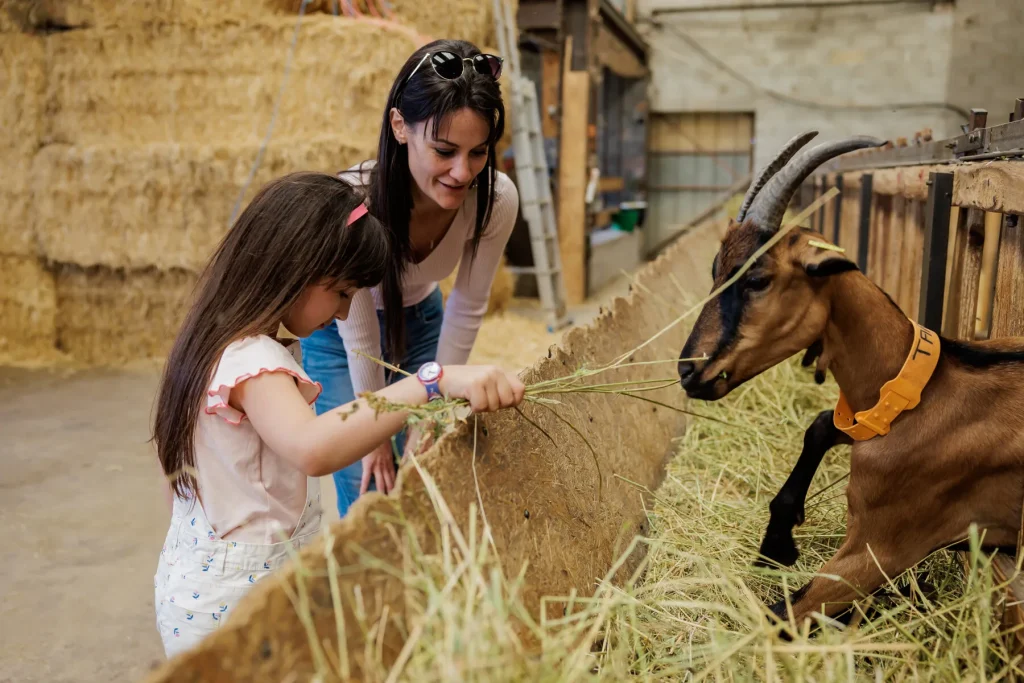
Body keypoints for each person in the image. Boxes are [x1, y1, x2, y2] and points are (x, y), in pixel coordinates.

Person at [150, 171, 525, 659]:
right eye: (343, 292)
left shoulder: (215, 339)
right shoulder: (251, 361)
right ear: (295, 268)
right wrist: (431, 382)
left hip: (205, 577)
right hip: (235, 600)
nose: (346, 314)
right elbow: (313, 447)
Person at [299, 39, 520, 518]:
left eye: (478, 152)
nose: (462, 172)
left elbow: (467, 304)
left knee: (425, 468)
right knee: (367, 482)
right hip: (344, 341)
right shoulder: (355, 201)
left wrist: (433, 409)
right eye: (444, 151)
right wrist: (376, 429)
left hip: (422, 320)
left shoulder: (495, 198)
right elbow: (357, 330)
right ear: (400, 126)